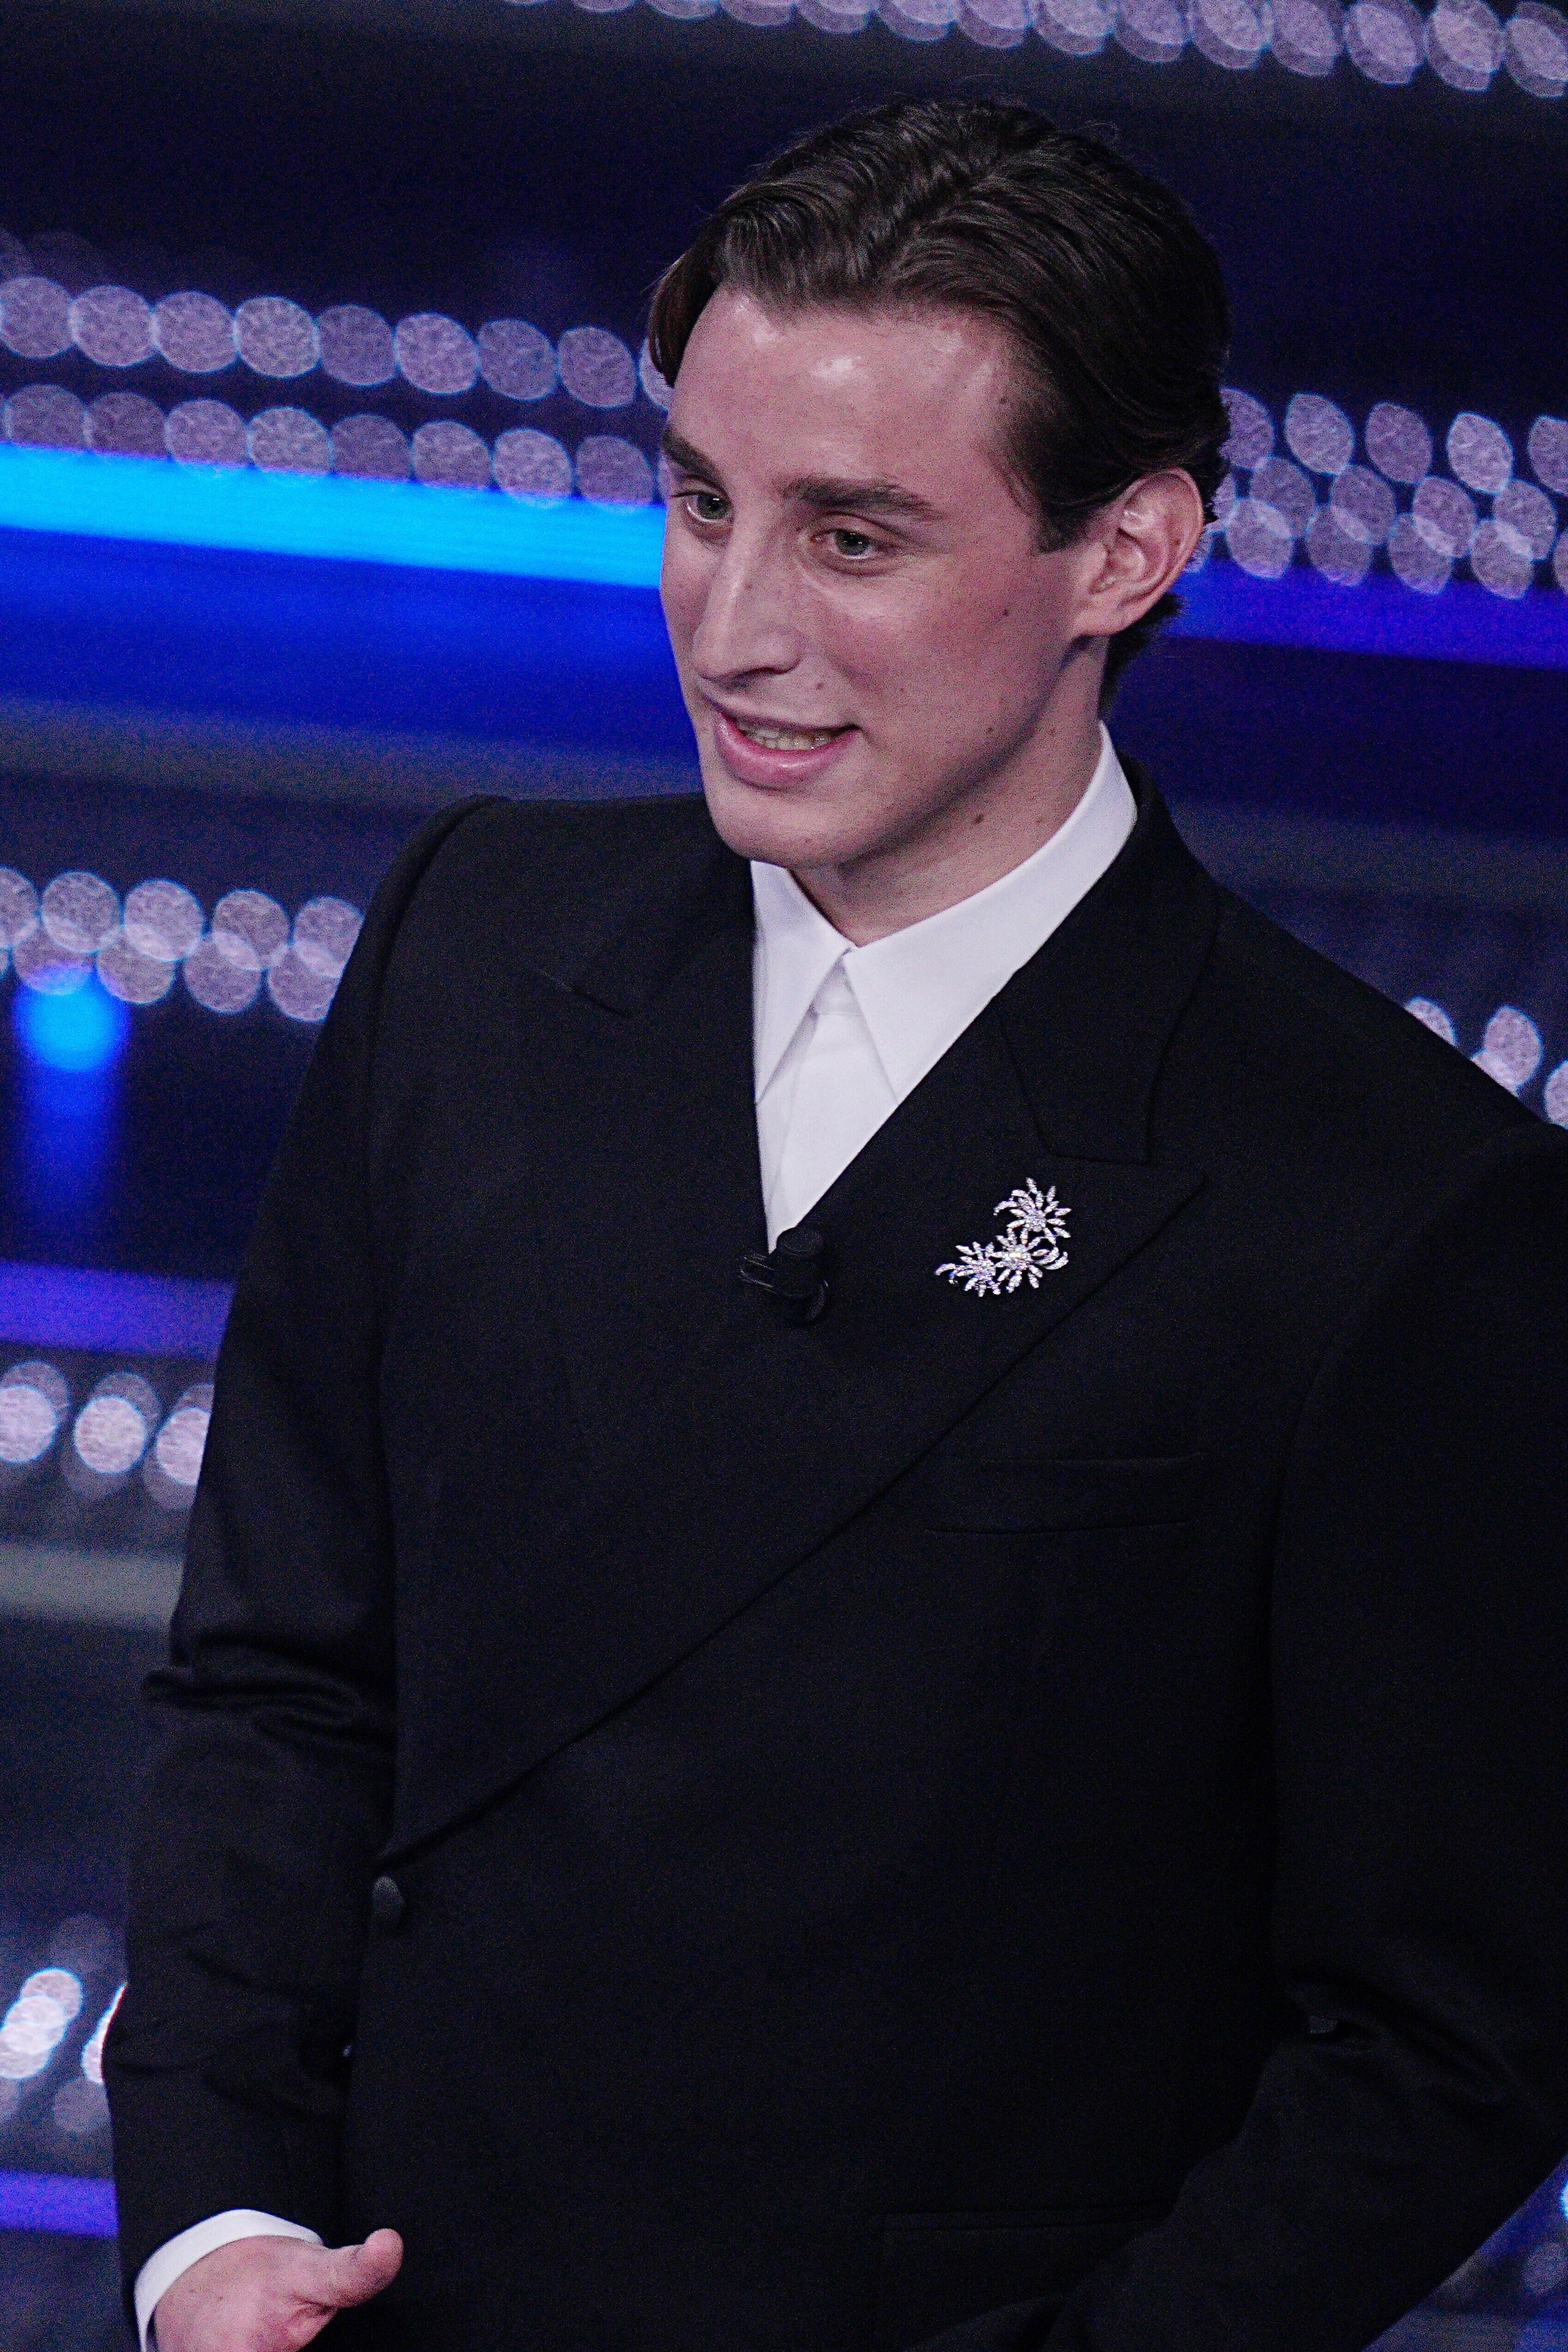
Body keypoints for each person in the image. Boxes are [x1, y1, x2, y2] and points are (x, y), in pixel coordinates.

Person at [106, 96, 1568, 2352]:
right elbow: (283, 1672)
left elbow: (1445, 2041)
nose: (736, 628)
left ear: (1127, 549)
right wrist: (209, 2225)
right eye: (704, 503)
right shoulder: (472, 940)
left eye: (854, 538)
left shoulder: (1391, 1200)